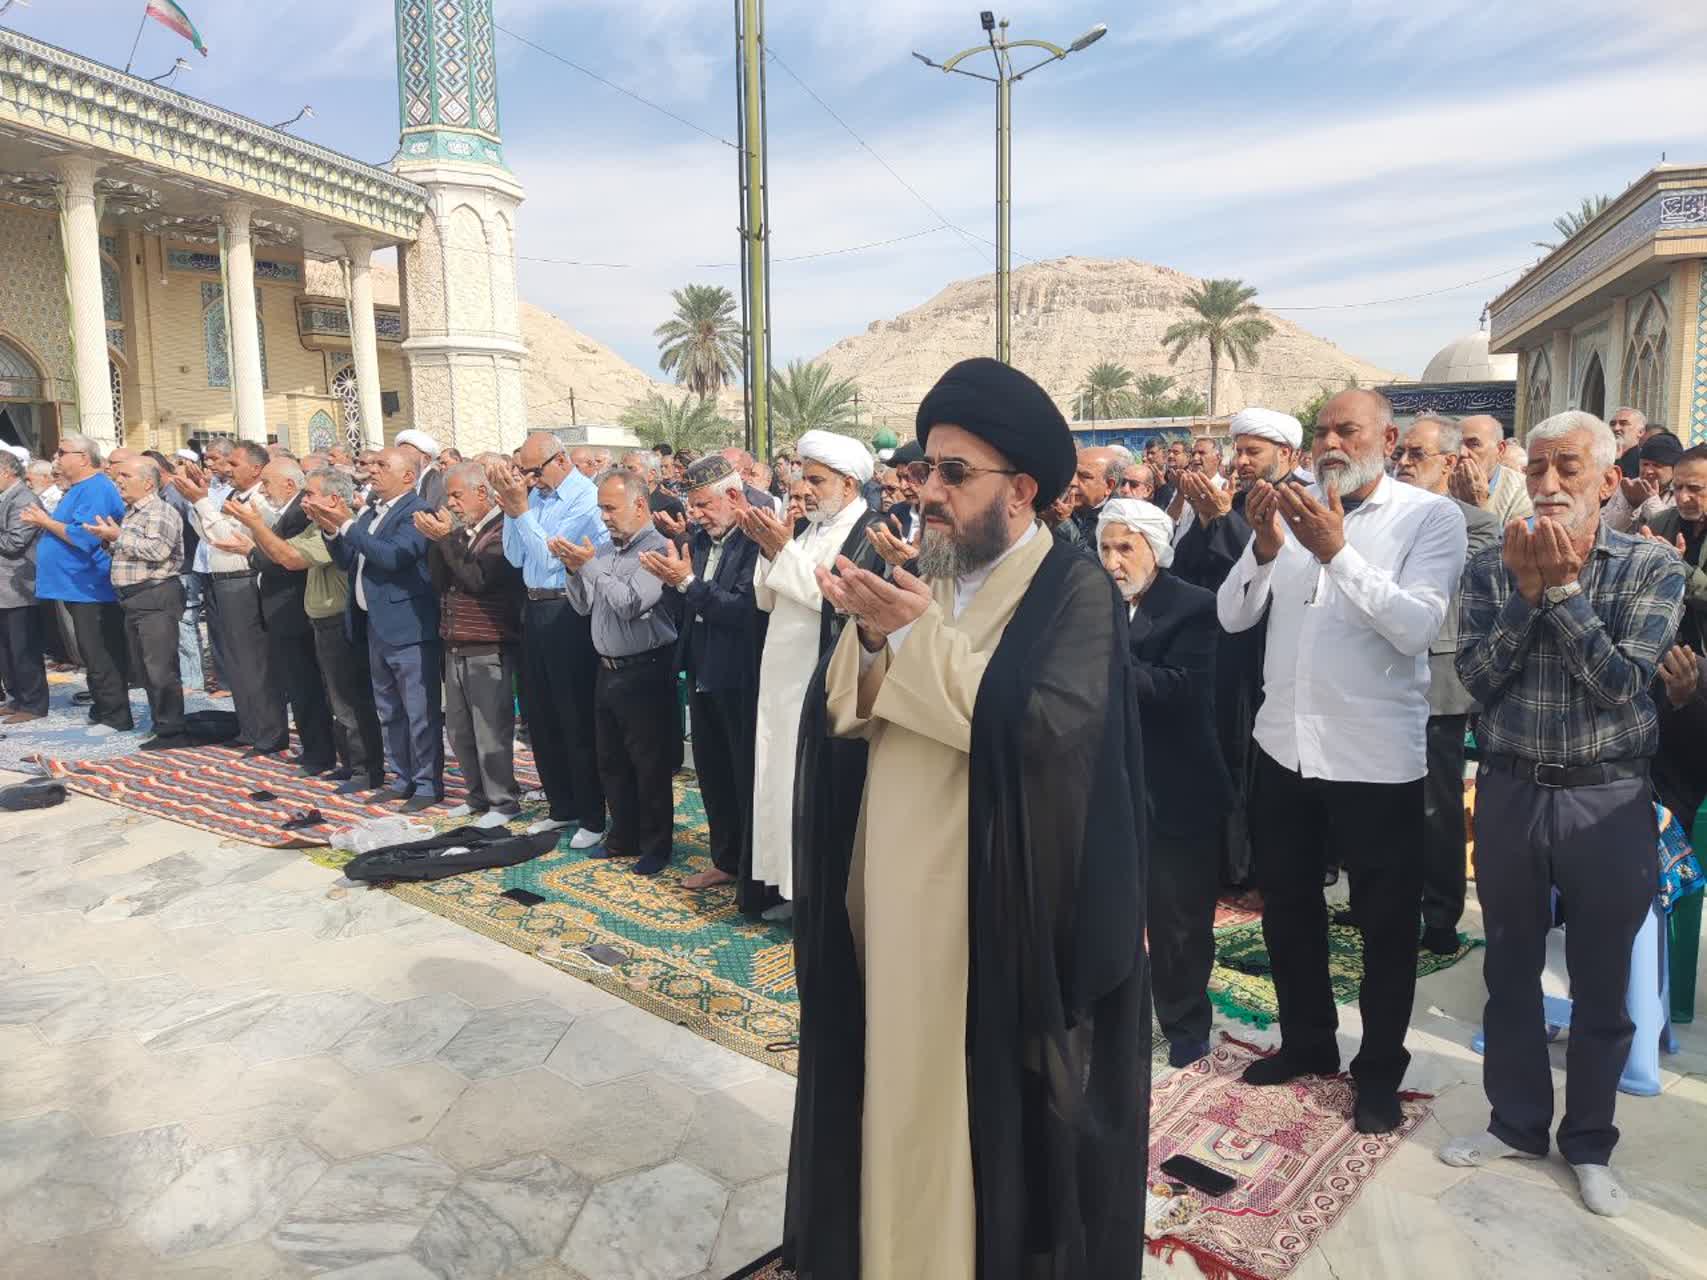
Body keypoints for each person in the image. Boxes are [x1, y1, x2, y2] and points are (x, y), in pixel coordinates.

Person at [790, 357, 1147, 1279]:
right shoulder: (937, 573)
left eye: (954, 473)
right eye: (924, 470)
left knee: (950, 1103)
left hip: (981, 907)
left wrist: (911, 637)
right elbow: (843, 710)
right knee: (890, 1085)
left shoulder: (1073, 590)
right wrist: (875, 637)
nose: (929, 493)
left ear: (1021, 490)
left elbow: (1047, 733)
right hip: (892, 892)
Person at [1441, 410, 1685, 1218]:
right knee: (1508, 968)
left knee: (1601, 982)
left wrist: (1563, 592)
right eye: (1537, 468)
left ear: (1608, 480)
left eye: (1568, 468)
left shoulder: (1650, 567)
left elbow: (1621, 683)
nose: (1547, 485)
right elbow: (1477, 678)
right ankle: (1513, 1123)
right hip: (1511, 791)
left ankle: (1587, 1142)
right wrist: (1524, 595)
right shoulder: (1490, 567)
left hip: (1607, 799)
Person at [1216, 388, 1467, 1134]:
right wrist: (1266, 548)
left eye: (1346, 430)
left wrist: (1336, 552)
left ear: (1386, 441)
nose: (1330, 442)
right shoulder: (1289, 511)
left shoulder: (1429, 518)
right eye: (1321, 429)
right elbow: (1233, 614)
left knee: (1385, 923)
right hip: (1284, 746)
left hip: (1374, 756)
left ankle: (1378, 1071)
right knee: (1289, 906)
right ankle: (1307, 1043)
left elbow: (1415, 628)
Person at [1099, 496, 1229, 1068]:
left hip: (1176, 789)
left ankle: (1185, 1024)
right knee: (1109, 910)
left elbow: (1183, 686)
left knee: (1178, 920)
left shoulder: (1193, 605)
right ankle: (1113, 1018)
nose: (1113, 561)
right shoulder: (1092, 602)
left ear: (1154, 549)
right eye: (1105, 547)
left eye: (1125, 548)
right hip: (1109, 783)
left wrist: (1101, 662)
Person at [740, 428, 876, 917]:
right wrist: (769, 549)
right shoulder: (810, 530)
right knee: (780, 782)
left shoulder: (867, 531)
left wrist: (784, 550)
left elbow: (838, 601)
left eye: (817, 481)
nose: (807, 490)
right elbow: (766, 599)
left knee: (812, 788)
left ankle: (817, 898)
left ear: (849, 484)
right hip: (782, 682)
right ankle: (791, 889)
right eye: (805, 479)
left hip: (821, 683)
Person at [1173, 408, 1303, 891]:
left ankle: (1256, 866)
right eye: (1239, 451)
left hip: (1271, 651)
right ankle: (1230, 863)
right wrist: (1210, 519)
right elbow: (1190, 567)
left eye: (1253, 451)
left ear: (1285, 454)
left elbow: (1268, 563)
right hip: (1227, 649)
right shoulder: (1236, 499)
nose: (1241, 460)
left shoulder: (1301, 501)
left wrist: (1223, 519)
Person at [1392, 413, 1501, 953]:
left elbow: (1463, 579)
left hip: (1436, 681)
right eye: (1401, 453)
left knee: (1435, 806)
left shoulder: (1475, 524)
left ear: (1451, 462)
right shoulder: (1377, 513)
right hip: (1378, 675)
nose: (1404, 463)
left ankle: (1439, 916)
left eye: (1418, 454)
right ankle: (1384, 901)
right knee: (1380, 802)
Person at [640, 455, 766, 899]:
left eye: (702, 505)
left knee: (745, 776)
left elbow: (743, 611)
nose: (695, 515)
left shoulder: (756, 540)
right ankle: (725, 861)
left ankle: (755, 875)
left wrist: (687, 583)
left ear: (733, 496)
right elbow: (687, 604)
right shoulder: (698, 539)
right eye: (692, 506)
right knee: (713, 774)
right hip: (701, 670)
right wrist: (671, 581)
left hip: (741, 676)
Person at [558, 469, 680, 874]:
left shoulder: (658, 549)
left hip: (645, 669)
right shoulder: (607, 551)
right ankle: (623, 835)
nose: (605, 517)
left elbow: (630, 603)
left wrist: (590, 567)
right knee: (611, 760)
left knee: (649, 764)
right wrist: (573, 570)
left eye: (611, 508)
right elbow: (583, 605)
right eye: (601, 509)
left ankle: (656, 846)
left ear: (639, 505)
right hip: (607, 670)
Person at [230, 467, 383, 790]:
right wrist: (255, 536)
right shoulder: (317, 525)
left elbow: (289, 558)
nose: (304, 500)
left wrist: (255, 524)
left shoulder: (339, 526)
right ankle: (349, 763)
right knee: (335, 700)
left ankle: (365, 769)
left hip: (340, 621)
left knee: (349, 700)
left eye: (310, 494)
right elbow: (278, 551)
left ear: (334, 498)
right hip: (321, 622)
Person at [310, 447, 443, 810]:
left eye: (383, 465)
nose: (373, 470)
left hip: (408, 627)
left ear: (408, 476)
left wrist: (347, 525)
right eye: (373, 464)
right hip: (374, 625)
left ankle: (427, 784)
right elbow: (348, 561)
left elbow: (392, 557)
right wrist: (331, 530)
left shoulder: (417, 511)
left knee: (419, 711)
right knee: (389, 710)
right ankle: (402, 777)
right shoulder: (371, 511)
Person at [492, 431, 609, 843]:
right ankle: (562, 805)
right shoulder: (535, 496)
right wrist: (514, 510)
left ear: (560, 460)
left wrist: (521, 510)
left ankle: (592, 814)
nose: (529, 479)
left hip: (568, 608)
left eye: (533, 471)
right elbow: (515, 557)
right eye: (522, 471)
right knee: (540, 715)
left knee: (573, 715)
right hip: (534, 607)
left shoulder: (585, 497)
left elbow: (549, 556)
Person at [419, 460, 525, 827]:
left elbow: (478, 579)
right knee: (459, 730)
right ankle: (477, 795)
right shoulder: (461, 532)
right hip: (455, 642)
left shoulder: (501, 531)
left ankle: (503, 802)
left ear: (482, 493)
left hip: (488, 645)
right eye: (448, 497)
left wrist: (447, 539)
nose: (451, 504)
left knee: (490, 729)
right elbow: (439, 581)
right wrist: (438, 541)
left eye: (456, 496)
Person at [220, 458, 336, 774]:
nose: (263, 491)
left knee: (307, 687)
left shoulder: (299, 513)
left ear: (289, 483)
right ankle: (314, 749)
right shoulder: (288, 511)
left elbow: (283, 561)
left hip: (295, 610)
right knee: (298, 686)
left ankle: (320, 754)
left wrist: (251, 550)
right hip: (283, 610)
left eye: (268, 483)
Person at [179, 441, 289, 754]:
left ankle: (269, 732)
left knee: (254, 662)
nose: (227, 469)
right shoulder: (233, 496)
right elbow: (208, 536)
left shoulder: (260, 499)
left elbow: (228, 539)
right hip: (222, 581)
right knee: (235, 661)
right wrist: (198, 502)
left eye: (234, 464)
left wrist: (201, 502)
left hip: (244, 581)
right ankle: (248, 728)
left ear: (256, 469)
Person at [22, 434, 131, 730]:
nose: (56, 457)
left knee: (100, 653)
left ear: (83, 458)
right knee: (88, 652)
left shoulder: (96, 488)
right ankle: (103, 707)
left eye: (62, 452)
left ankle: (115, 715)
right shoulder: (78, 488)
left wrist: (45, 521)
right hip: (74, 585)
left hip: (91, 586)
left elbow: (84, 535)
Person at [87, 455, 187, 747]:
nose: (118, 481)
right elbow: (130, 552)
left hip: (155, 596)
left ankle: (171, 729)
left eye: (126, 476)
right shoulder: (133, 512)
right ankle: (161, 723)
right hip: (134, 598)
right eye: (118, 476)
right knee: (145, 669)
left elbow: (157, 551)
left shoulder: (159, 511)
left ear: (147, 483)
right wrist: (109, 539)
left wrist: (117, 536)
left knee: (160, 668)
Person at [0, 450, 46, 723]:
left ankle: (33, 703)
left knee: (23, 648)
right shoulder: (7, 497)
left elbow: (14, 543)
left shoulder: (24, 499)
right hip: (5, 588)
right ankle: (15, 698)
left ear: (6, 471)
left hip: (19, 586)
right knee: (6, 649)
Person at [1451, 415, 1533, 525]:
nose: (1462, 453)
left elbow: (1516, 535)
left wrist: (1477, 508)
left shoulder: (1524, 492)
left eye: (1474, 444)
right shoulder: (1440, 482)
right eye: (1457, 445)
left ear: (1500, 449)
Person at [1603, 429, 1681, 532]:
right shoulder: (1630, 487)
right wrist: (1629, 504)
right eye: (1645, 464)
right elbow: (1606, 529)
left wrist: (1651, 500)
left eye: (1657, 465)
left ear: (1674, 468)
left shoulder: (1682, 491)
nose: (1648, 471)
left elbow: (1668, 531)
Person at [1068, 445, 1121, 542]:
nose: (1072, 482)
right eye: (1071, 474)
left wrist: (1065, 526)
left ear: (1109, 486)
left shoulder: (1120, 521)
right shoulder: (1057, 507)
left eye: (1084, 476)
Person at [623, 448, 687, 525]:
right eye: (622, 469)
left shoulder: (670, 505)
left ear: (651, 474)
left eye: (631, 469)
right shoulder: (622, 502)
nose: (623, 474)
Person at [394, 428, 448, 510]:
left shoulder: (436, 482)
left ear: (425, 460)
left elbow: (431, 513)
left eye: (406, 456)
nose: (400, 460)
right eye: (398, 455)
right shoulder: (401, 481)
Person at [1608, 405, 1646, 478]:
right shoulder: (1600, 455)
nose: (1616, 428)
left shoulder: (1645, 460)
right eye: (1612, 424)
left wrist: (1617, 460)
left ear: (1640, 432)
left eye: (1623, 424)